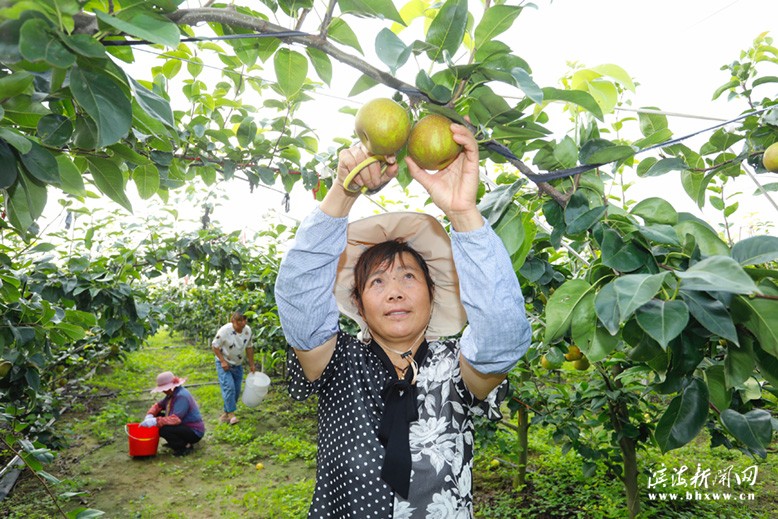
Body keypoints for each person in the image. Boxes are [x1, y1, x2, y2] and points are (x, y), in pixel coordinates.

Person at [274, 120, 532, 518]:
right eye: (377, 281)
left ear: (433, 295)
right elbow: (298, 297)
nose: (394, 291)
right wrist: (343, 192)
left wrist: (463, 212)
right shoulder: (339, 361)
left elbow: (502, 338)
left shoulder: (456, 368)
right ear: (358, 304)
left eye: (408, 276)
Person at [140, 371, 205, 457]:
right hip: (183, 425)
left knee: (164, 429)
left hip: (194, 431)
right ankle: (176, 442)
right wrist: (150, 414)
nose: (163, 391)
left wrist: (155, 421)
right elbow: (159, 405)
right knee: (159, 417)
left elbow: (175, 419)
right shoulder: (172, 394)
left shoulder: (181, 396)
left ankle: (184, 446)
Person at [211, 311, 256, 424]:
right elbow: (215, 346)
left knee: (236, 391)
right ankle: (231, 415)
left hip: (237, 364)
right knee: (229, 387)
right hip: (224, 363)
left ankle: (225, 414)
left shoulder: (247, 331)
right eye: (239, 320)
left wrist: (252, 364)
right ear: (233, 321)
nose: (243, 323)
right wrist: (222, 361)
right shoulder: (224, 331)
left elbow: (249, 347)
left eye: (244, 320)